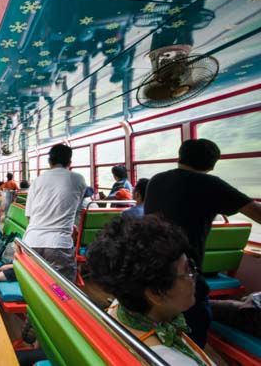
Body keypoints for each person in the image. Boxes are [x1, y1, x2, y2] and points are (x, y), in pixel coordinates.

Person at [145, 138, 261, 348]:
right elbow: (256, 212)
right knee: (197, 321)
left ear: (180, 157)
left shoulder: (156, 180)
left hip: (147, 266)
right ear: (212, 165)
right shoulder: (211, 185)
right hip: (184, 271)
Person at [89, 216, 216, 366]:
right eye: (188, 270)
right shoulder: (173, 362)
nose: (195, 276)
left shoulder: (119, 307)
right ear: (156, 293)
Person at [24, 144, 86, 282]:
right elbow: (75, 208)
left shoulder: (37, 181)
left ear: (49, 162)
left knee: (35, 283)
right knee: (63, 289)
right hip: (60, 243)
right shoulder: (79, 179)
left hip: (32, 240)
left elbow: (29, 216)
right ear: (69, 163)